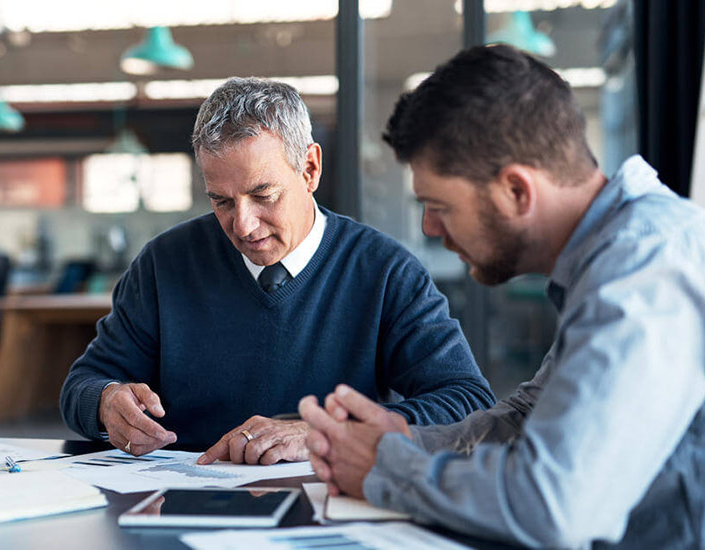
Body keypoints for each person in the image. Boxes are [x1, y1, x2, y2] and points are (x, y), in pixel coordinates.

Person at [299, 44, 705, 549]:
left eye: (438, 205)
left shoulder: (644, 269)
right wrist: (406, 440)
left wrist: (387, 468)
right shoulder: (610, 255)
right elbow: (527, 418)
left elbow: (555, 506)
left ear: (517, 190)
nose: (429, 227)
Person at [61, 77, 495, 465]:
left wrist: (326, 433)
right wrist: (105, 402)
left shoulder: (384, 272)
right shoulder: (163, 263)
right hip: (182, 502)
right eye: (222, 202)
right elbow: (82, 384)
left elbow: (467, 402)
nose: (243, 225)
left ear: (310, 169)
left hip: (326, 507)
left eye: (263, 194)